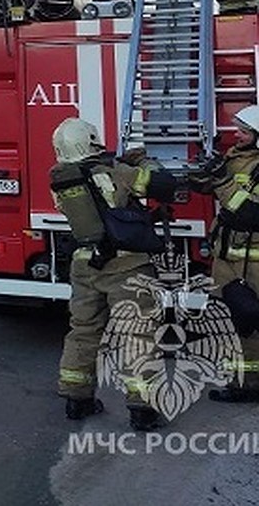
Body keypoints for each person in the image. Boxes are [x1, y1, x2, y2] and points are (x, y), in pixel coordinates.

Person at [49, 117, 173, 432]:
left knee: (84, 329)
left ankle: (77, 399)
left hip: (84, 264)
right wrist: (143, 160)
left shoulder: (61, 177)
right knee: (138, 332)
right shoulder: (113, 172)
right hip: (126, 264)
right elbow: (162, 185)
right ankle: (142, 409)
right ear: (91, 141)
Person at [193, 105, 259, 402]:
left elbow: (248, 213)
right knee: (230, 321)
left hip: (252, 260)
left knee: (249, 321)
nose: (237, 135)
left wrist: (221, 178)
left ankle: (249, 385)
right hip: (227, 257)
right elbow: (215, 190)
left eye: (244, 131)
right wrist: (203, 173)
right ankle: (240, 383)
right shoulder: (235, 157)